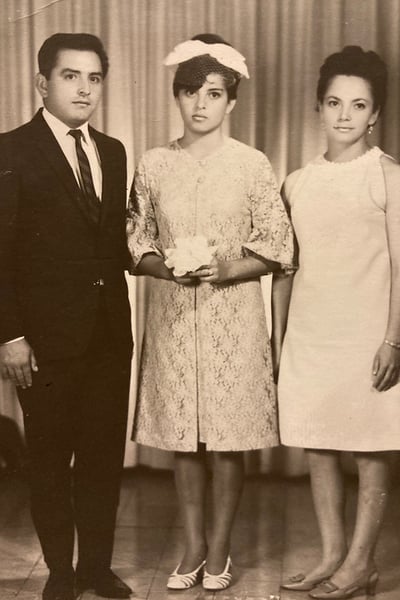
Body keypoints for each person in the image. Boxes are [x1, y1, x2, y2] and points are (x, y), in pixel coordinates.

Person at [126, 33, 294, 592]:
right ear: (176, 97)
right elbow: (134, 240)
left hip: (233, 319)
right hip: (173, 317)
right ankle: (192, 545)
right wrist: (165, 267)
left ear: (232, 102)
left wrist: (223, 270)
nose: (201, 104)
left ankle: (220, 548)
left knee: (226, 438)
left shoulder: (251, 165)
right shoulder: (153, 165)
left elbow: (278, 243)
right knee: (184, 439)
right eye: (190, 91)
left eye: (214, 93)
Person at [0, 33, 133, 600]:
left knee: (103, 460)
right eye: (71, 76)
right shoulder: (9, 150)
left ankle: (97, 569)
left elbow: (114, 243)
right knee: (51, 460)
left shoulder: (113, 150)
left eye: (94, 78)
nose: (84, 89)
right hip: (45, 340)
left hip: (108, 332)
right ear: (42, 83)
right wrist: (10, 335)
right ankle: (60, 572)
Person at [274, 46, 400, 599]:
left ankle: (361, 562)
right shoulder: (297, 182)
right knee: (318, 443)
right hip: (311, 334)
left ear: (375, 115)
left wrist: (394, 339)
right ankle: (331, 554)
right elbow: (285, 270)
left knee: (371, 446)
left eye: (358, 104)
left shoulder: (389, 177)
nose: (345, 115)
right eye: (334, 102)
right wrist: (277, 343)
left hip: (369, 335)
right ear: (318, 109)